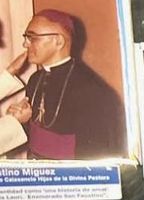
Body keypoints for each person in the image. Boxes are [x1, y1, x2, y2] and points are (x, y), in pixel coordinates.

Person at [0, 10, 126, 160]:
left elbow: (94, 155)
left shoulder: (91, 90)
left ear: (58, 41)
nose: (25, 44)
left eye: (32, 38)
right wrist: (18, 120)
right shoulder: (35, 79)